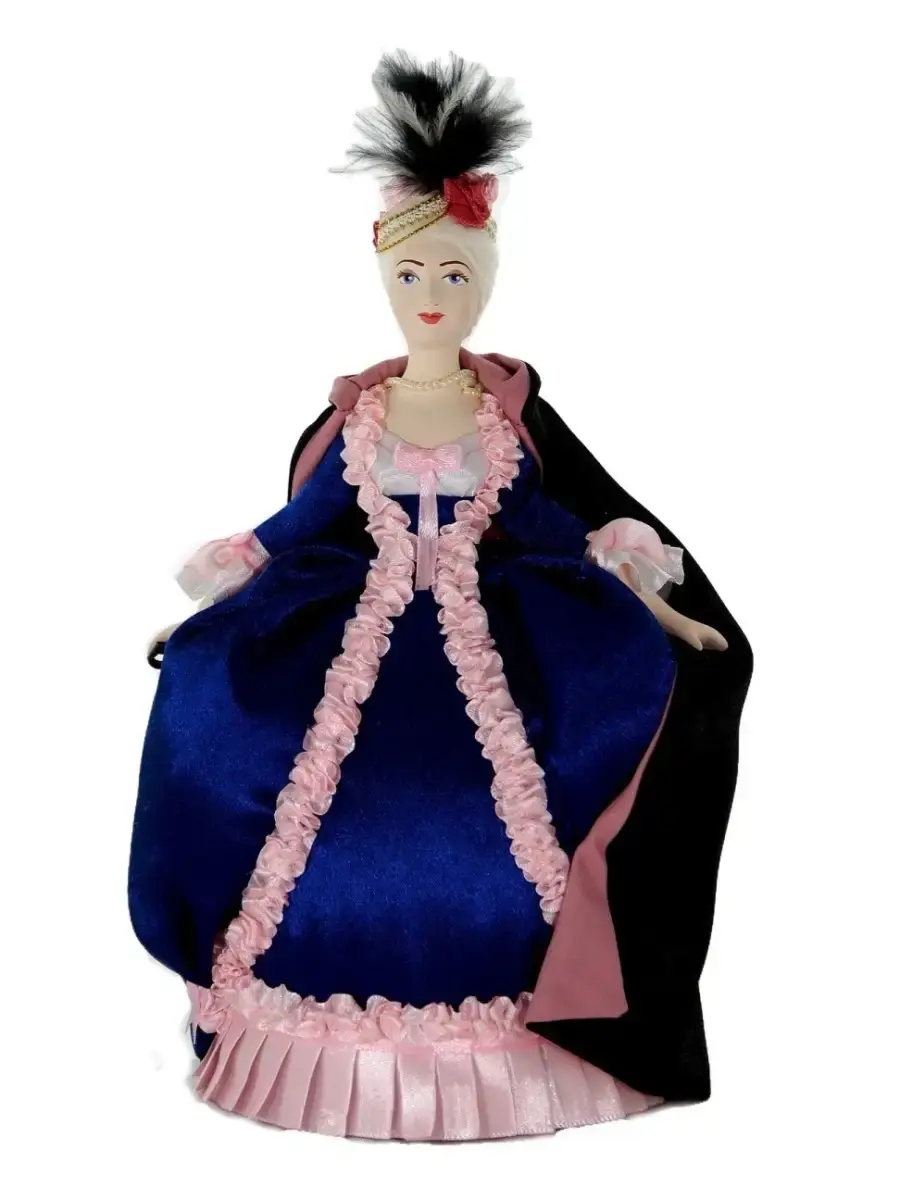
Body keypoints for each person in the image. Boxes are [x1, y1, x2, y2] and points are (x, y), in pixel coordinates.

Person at [129, 49, 752, 1141]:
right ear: (383, 276)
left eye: (455, 278)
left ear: (486, 282)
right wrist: (203, 616)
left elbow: (562, 532)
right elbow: (296, 526)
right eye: (413, 276)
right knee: (293, 776)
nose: (431, 299)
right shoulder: (362, 420)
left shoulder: (500, 424)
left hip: (485, 646)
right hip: (362, 641)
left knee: (512, 801)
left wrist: (664, 612)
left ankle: (538, 1019)